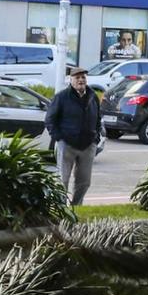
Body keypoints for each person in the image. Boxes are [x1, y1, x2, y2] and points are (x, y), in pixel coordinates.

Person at [45, 67, 103, 208]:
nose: (81, 80)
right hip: (67, 145)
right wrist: (59, 138)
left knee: (84, 181)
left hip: (88, 145)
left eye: (83, 77)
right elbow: (50, 120)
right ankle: (60, 208)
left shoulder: (92, 96)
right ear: (70, 80)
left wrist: (96, 137)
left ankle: (76, 207)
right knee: (62, 179)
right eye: (77, 78)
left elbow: (98, 118)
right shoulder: (61, 97)